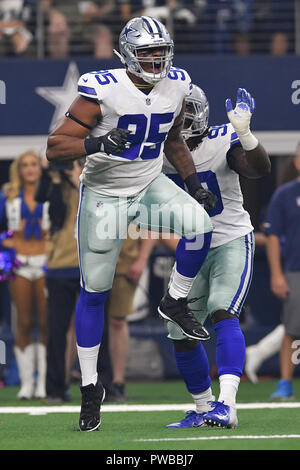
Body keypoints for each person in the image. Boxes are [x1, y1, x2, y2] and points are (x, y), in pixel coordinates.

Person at [46, 15, 218, 432]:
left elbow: (173, 139)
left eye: (160, 53)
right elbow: (54, 147)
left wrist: (193, 182)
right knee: (95, 293)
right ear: (127, 54)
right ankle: (90, 387)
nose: (155, 61)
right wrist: (98, 143)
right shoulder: (102, 88)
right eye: (146, 53)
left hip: (150, 183)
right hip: (105, 197)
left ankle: (174, 300)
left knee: (201, 225)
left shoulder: (177, 83)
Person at [162, 85, 270, 429]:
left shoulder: (223, 139)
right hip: (192, 248)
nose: (184, 118)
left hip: (229, 241)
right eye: (179, 112)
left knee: (223, 310)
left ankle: (227, 405)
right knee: (178, 328)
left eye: (188, 111)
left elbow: (258, 168)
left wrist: (245, 134)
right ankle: (202, 406)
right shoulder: (160, 151)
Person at [0, 150, 50, 399]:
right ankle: (26, 383)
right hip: (19, 263)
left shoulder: (51, 193)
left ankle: (42, 382)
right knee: (24, 322)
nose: (30, 169)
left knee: (45, 322)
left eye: (34, 164)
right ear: (18, 169)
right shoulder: (8, 196)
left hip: (45, 262)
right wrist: (4, 242)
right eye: (25, 165)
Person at [35, 159, 83, 403]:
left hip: (89, 264)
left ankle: (100, 386)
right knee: (57, 330)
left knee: (95, 330)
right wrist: (54, 178)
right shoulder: (52, 184)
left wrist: (77, 178)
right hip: (59, 266)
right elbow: (54, 214)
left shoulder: (88, 176)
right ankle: (54, 387)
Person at [263, 144, 300, 401]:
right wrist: (277, 274)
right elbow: (273, 236)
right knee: (292, 329)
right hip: (295, 269)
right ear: (297, 162)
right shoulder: (284, 195)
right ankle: (285, 383)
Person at [107, 230, 156, 402]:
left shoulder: (138, 202)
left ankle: (118, 381)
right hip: (93, 261)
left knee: (118, 321)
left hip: (125, 261)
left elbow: (151, 224)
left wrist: (142, 259)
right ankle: (64, 381)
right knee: (80, 322)